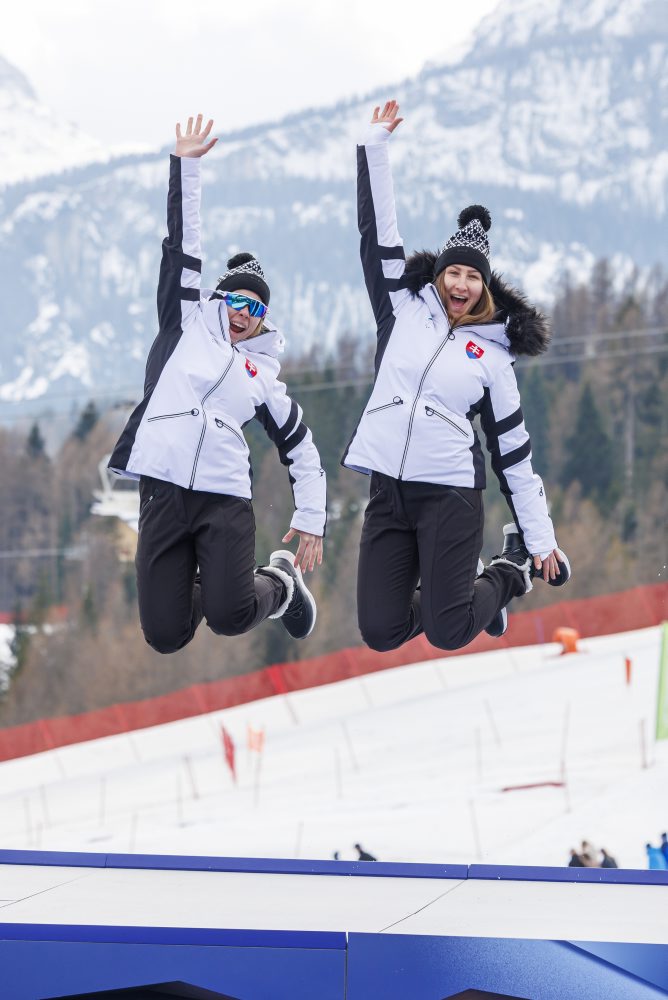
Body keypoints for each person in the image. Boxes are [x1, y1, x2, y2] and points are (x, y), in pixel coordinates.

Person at [342, 100, 570, 650]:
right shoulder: (401, 310)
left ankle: (508, 572)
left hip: (450, 495)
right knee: (380, 630)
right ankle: (469, 598)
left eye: (472, 276)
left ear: (484, 287)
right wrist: (373, 148)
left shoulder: (494, 357)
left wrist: (540, 541)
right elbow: (378, 236)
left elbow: (513, 454)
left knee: (448, 631)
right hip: (389, 491)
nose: (461, 284)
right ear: (438, 276)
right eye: (453, 272)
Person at [109, 115, 326, 652]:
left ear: (262, 319)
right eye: (235, 300)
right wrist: (185, 167)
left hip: (223, 496)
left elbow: (300, 446)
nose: (243, 314)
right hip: (162, 488)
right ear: (218, 300)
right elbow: (184, 247)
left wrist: (312, 517)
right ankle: (209, 582)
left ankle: (278, 584)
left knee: (230, 616)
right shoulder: (184, 325)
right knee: (165, 633)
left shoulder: (262, 377)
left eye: (255, 308)